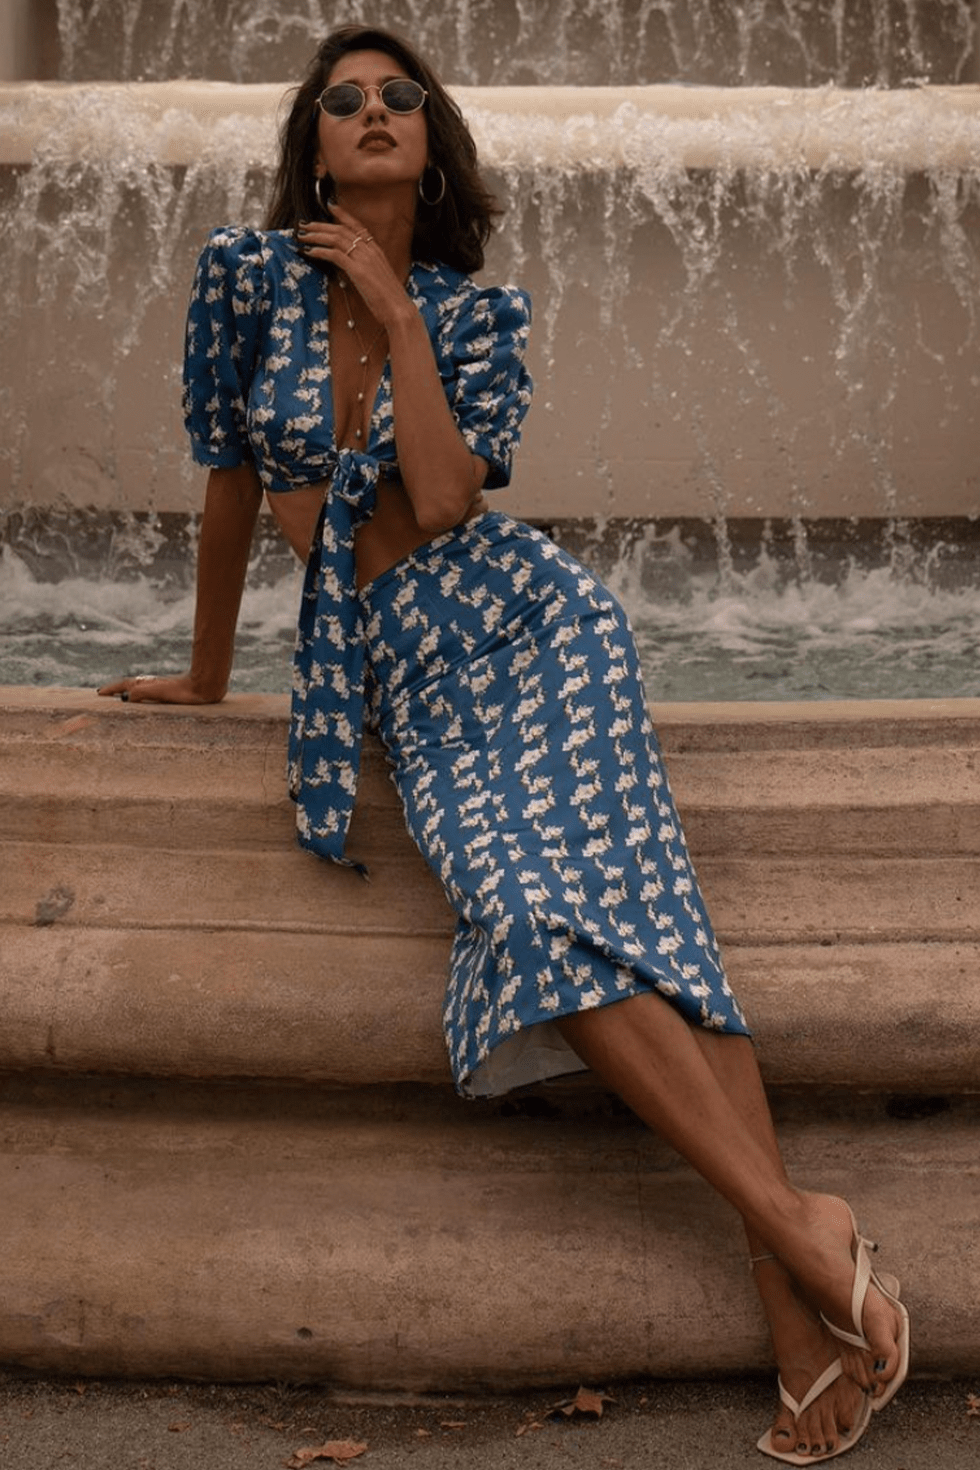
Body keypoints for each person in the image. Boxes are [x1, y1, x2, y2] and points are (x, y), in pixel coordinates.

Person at [98, 24, 909, 1462]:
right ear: (310, 146)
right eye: (342, 100)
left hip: (535, 627)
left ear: (432, 141)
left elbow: (443, 501)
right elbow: (227, 483)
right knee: (535, 919)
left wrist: (399, 314)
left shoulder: (479, 314)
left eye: (399, 96)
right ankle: (801, 1229)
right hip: (410, 669)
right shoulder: (243, 279)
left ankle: (797, 1308)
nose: (372, 111)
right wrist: (210, 677)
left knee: (655, 936)